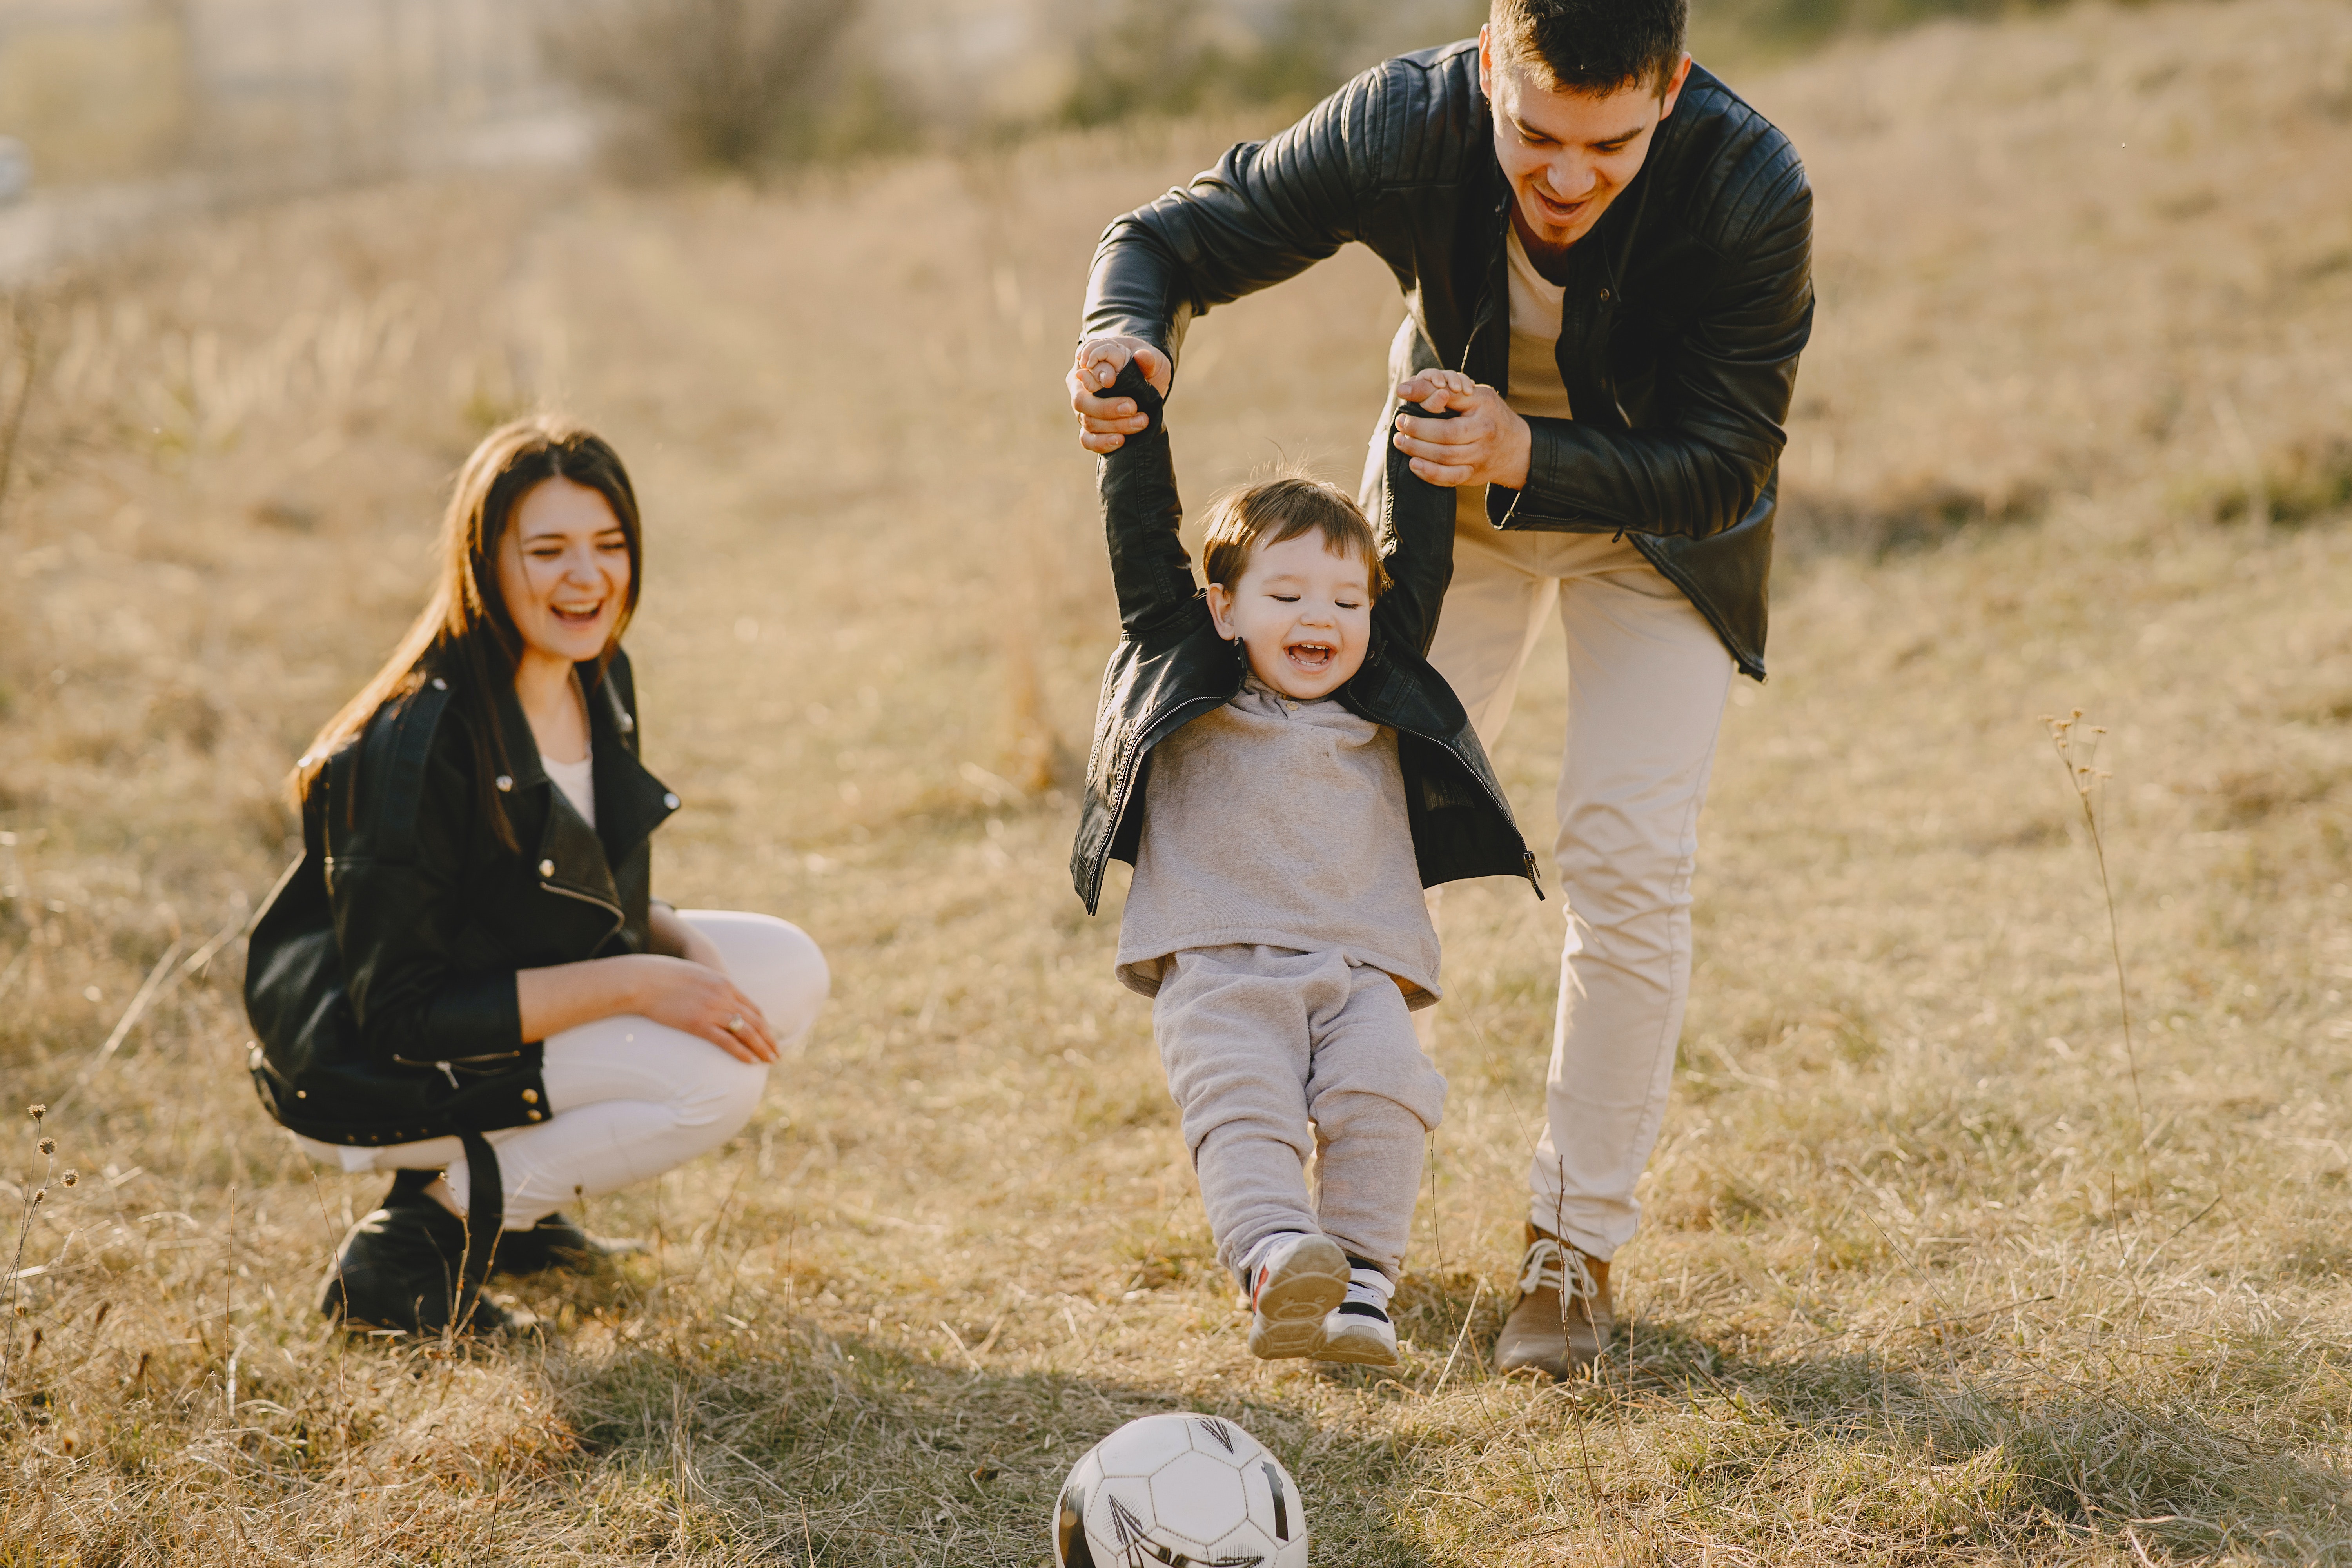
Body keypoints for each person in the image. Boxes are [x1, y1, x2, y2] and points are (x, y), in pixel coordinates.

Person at [1067, 0, 1812, 1377]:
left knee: (1625, 857)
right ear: (1485, 68)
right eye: (1535, 134)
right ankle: (1304, 1230)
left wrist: (1531, 445)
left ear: (1674, 91)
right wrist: (1128, 336)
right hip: (1435, 521)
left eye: (1612, 142)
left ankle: (1572, 1248)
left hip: (1660, 532)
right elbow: (1167, 238)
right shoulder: (1403, 122)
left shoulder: (1750, 184)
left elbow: (1729, 461)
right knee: (1347, 818)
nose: (1569, 177)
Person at [243, 416, 828, 1336]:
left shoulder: (596, 674)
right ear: (485, 561)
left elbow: (549, 897)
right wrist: (644, 980)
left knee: (789, 969)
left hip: (485, 1010)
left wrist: (675, 938)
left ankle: (514, 1217)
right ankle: (413, 1244)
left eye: (609, 545)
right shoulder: (415, 742)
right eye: (548, 549)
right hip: (372, 1063)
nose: (586, 577)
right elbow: (400, 1011)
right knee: (714, 1083)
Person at [1073, 358, 1536, 1367]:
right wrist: (1133, 428)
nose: (1320, 619)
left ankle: (1363, 1283)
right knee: (1245, 1107)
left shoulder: (1382, 692)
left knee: (1384, 1097)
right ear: (1224, 608)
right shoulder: (1187, 667)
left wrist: (1426, 414)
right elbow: (1143, 545)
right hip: (1219, 962)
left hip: (1361, 964)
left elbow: (1420, 555)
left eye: (1345, 600)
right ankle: (1280, 1260)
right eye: (1286, 594)